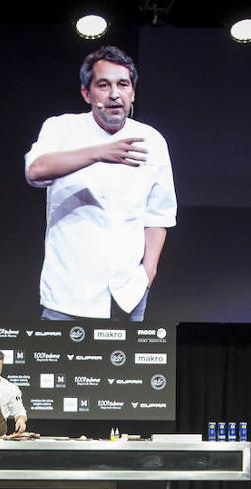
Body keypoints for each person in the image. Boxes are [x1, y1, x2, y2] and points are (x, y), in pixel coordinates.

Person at [25, 45, 177, 321]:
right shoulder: (61, 128)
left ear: (133, 93)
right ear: (87, 93)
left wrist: (148, 272)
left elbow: (159, 214)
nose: (114, 94)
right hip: (67, 293)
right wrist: (98, 152)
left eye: (123, 84)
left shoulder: (152, 140)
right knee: (58, 365)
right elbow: (36, 171)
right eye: (104, 85)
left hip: (127, 295)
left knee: (126, 365)